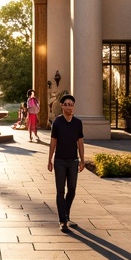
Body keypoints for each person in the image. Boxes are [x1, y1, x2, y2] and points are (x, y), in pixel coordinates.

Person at [47, 93, 84, 233]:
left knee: (72, 189)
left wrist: (82, 160)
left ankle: (66, 214)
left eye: (71, 104)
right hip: (60, 161)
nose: (69, 107)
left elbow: (80, 142)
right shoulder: (57, 122)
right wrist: (50, 159)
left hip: (73, 161)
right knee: (60, 191)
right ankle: (63, 220)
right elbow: (53, 141)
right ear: (62, 106)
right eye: (66, 104)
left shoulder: (77, 123)